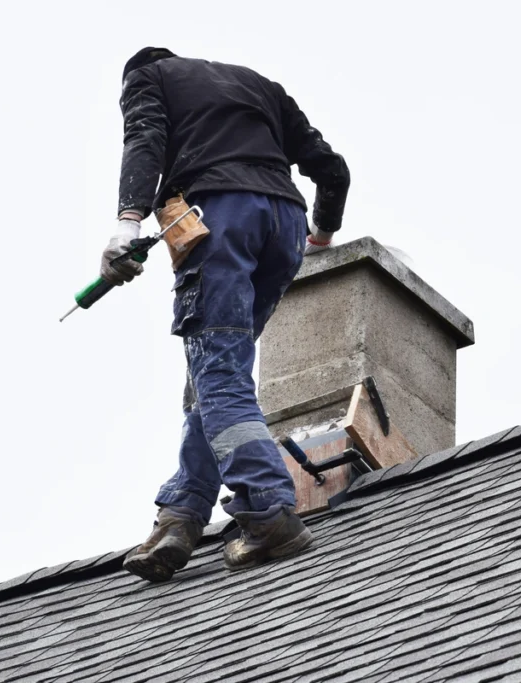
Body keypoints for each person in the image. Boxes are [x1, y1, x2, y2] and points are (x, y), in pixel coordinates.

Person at [104, 47, 350, 581]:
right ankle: (182, 514)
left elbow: (144, 140)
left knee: (217, 374)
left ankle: (268, 510)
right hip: (283, 225)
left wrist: (127, 224)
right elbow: (332, 170)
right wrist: (322, 234)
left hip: (219, 216)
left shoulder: (148, 75)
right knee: (217, 374)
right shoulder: (258, 83)